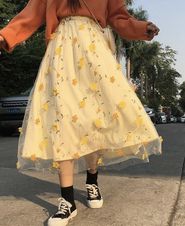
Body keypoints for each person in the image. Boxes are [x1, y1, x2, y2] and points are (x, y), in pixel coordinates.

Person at [0, 0, 162, 225]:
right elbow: (33, 12)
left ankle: (92, 181)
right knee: (62, 121)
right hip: (61, 51)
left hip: (95, 52)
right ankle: (67, 201)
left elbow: (119, 17)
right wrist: (6, 35)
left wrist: (143, 28)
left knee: (93, 120)